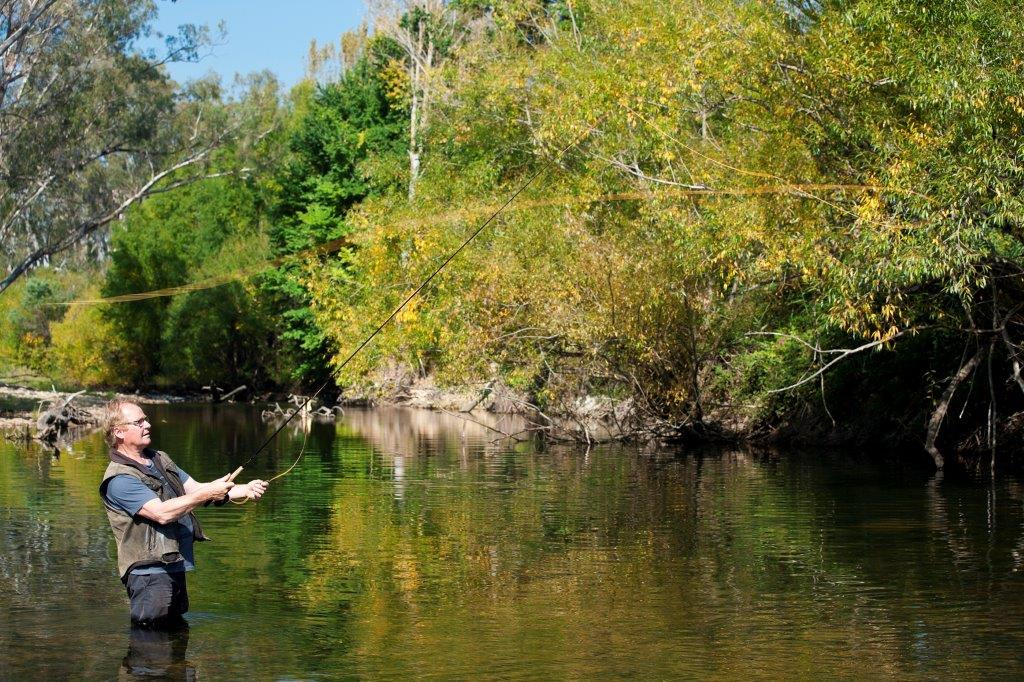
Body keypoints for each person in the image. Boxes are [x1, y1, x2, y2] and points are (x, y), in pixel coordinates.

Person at [98, 399, 268, 627]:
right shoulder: (119, 479)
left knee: (175, 639)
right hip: (148, 574)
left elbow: (196, 489)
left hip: (174, 565)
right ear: (118, 432)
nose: (147, 425)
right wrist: (208, 492)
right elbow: (161, 513)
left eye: (146, 419)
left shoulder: (159, 459)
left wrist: (243, 489)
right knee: (151, 643)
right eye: (139, 422)